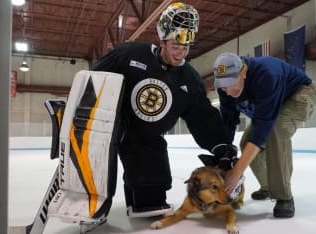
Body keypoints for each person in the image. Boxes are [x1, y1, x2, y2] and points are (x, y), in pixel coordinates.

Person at [90, 3, 238, 218]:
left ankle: (140, 199)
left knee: (149, 180)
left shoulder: (190, 78)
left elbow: (203, 118)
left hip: (146, 139)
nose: (181, 53)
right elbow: (93, 78)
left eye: (186, 47)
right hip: (111, 127)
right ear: (162, 41)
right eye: (176, 46)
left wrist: (222, 147)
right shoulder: (129, 54)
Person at [213, 52, 316, 218]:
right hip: (271, 101)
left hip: (299, 93)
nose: (227, 90)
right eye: (222, 85)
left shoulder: (267, 74)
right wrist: (225, 156)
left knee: (276, 130)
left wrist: (236, 173)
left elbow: (263, 128)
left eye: (230, 83)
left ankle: (284, 197)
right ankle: (268, 186)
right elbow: (228, 123)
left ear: (244, 72)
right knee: (246, 143)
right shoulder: (224, 90)